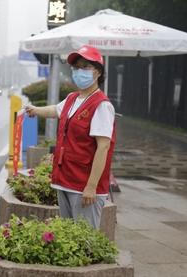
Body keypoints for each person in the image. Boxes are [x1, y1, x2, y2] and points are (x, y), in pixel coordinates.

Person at [25, 45, 116, 229]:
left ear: (97, 72)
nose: (78, 72)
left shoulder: (101, 105)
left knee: (84, 240)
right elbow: (55, 110)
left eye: (85, 67)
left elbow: (103, 147)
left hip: (84, 187)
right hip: (65, 181)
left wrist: (91, 186)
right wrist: (35, 110)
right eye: (76, 67)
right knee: (69, 237)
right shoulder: (73, 98)